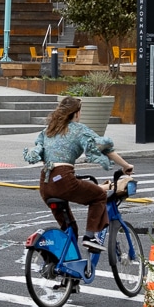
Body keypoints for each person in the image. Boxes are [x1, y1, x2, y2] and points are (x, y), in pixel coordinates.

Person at [25, 97, 133, 246]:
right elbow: (106, 148)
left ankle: (60, 264)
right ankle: (90, 237)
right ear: (76, 113)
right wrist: (126, 166)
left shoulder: (48, 130)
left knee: (70, 229)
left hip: (46, 184)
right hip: (64, 179)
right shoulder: (79, 130)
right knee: (99, 196)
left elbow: (42, 153)